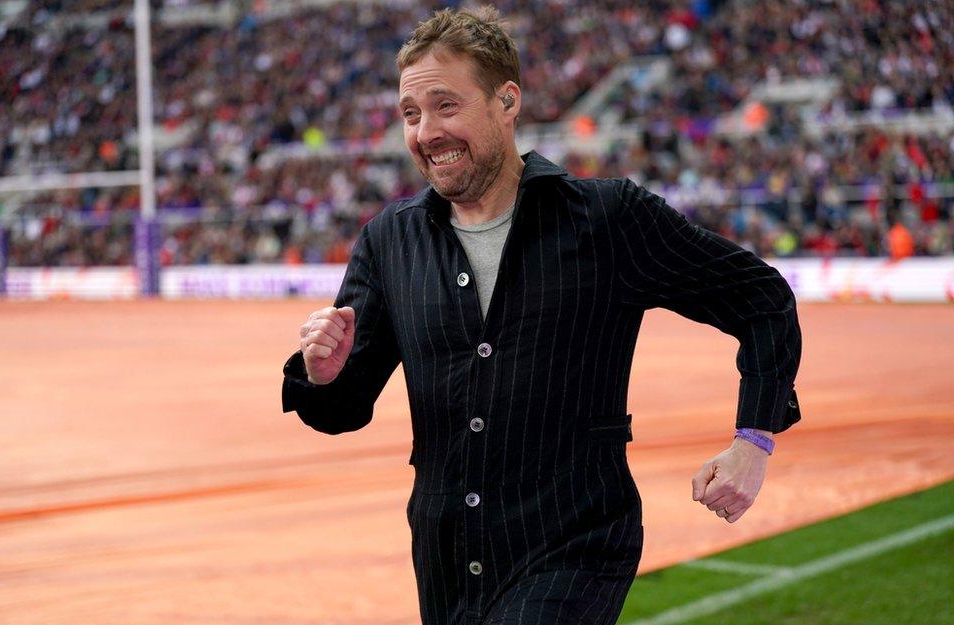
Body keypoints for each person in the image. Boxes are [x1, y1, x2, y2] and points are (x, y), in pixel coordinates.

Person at [282, 7, 802, 625]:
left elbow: (761, 297)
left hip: (575, 543)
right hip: (449, 555)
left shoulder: (608, 218)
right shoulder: (389, 242)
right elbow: (342, 410)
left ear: (507, 101)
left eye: (446, 106)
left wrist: (754, 439)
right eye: (411, 114)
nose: (426, 132)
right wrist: (321, 373)